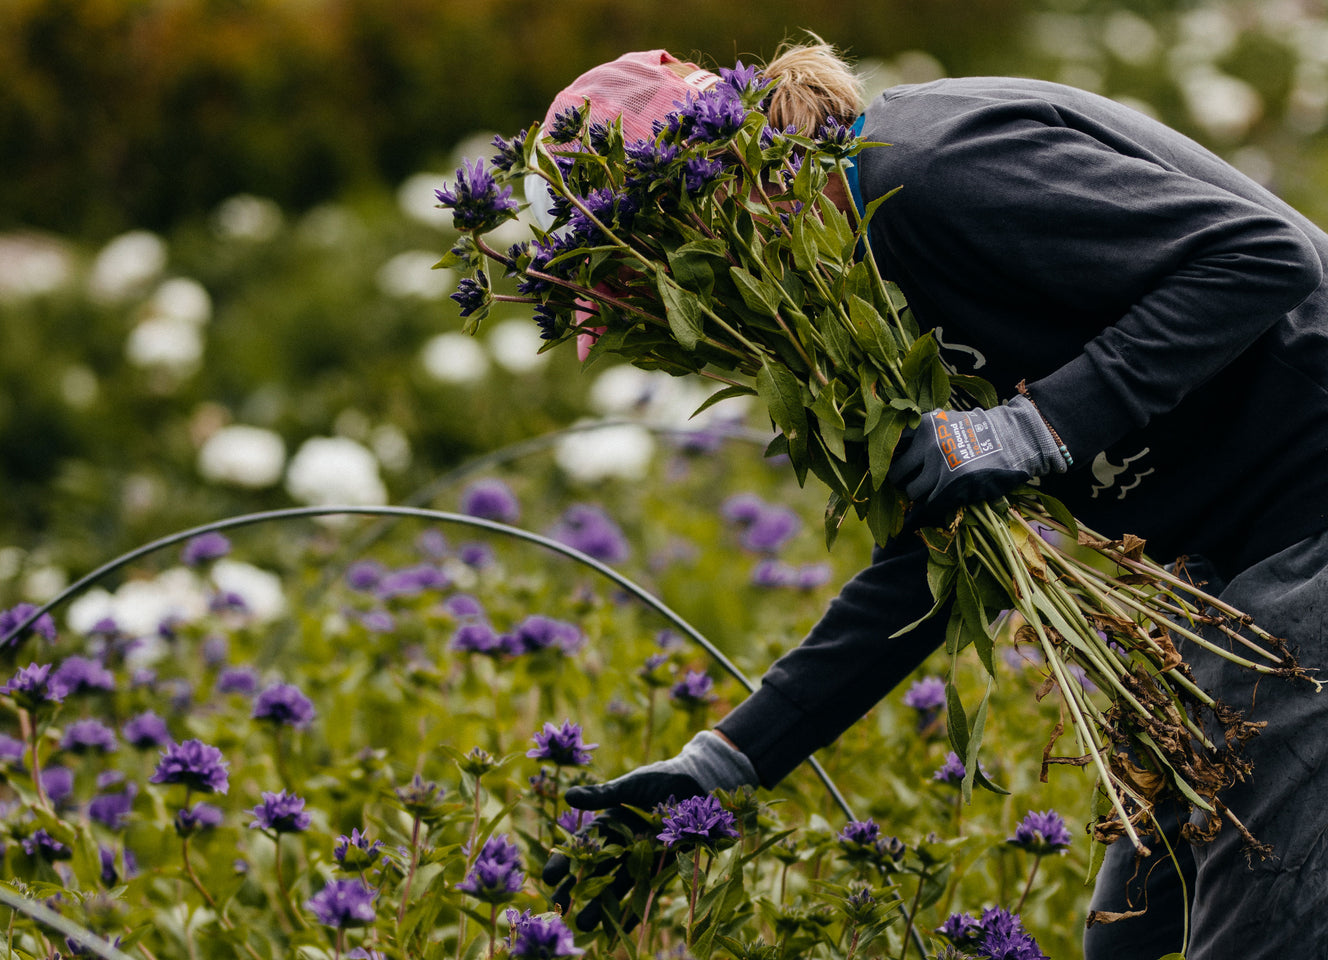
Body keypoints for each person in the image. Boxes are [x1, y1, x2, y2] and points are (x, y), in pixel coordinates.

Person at [532, 40, 1328, 958]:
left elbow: (1260, 257)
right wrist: (724, 763)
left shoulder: (931, 171)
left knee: (1257, 933)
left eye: (639, 273)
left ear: (706, 190)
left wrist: (1036, 427)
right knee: (1135, 936)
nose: (659, 309)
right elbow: (941, 548)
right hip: (1227, 582)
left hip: (1308, 521)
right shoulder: (845, 301)